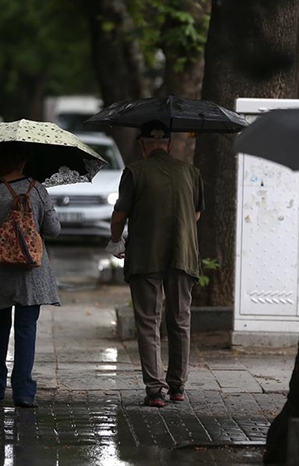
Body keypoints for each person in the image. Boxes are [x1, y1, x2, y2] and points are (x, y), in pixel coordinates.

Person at [106, 120, 204, 408]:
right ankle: (177, 386)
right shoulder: (191, 172)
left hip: (146, 256)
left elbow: (118, 216)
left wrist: (116, 241)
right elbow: (196, 214)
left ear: (142, 145)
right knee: (180, 320)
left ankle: (154, 390)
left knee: (149, 322)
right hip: (182, 254)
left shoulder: (135, 172)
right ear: (170, 145)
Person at [0, 142, 61, 408]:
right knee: (26, 329)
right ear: (22, 162)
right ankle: (23, 390)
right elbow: (54, 229)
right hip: (31, 274)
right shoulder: (38, 189)